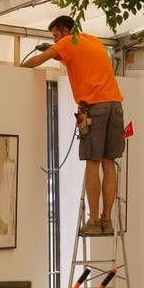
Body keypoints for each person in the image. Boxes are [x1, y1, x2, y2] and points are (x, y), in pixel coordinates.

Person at [22, 15, 124, 236]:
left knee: (92, 162)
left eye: (57, 35)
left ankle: (94, 221)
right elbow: (71, 54)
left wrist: (18, 70)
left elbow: (40, 60)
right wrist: (54, 46)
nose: (56, 40)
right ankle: (108, 220)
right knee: (109, 162)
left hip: (95, 108)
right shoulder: (93, 40)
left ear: (66, 31)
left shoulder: (67, 43)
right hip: (115, 106)